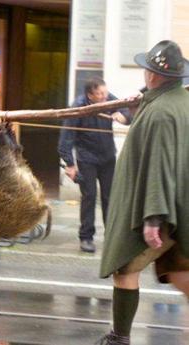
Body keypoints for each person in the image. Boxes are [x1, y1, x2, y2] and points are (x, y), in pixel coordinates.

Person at [97, 40, 189, 345]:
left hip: (161, 209)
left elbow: (160, 164)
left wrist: (152, 219)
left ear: (152, 74)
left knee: (124, 268)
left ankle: (118, 338)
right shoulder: (179, 102)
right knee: (181, 273)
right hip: (180, 206)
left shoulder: (161, 112)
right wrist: (139, 106)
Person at [58, 77, 131, 253]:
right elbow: (66, 138)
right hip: (86, 158)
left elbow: (126, 110)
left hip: (107, 156)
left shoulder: (108, 98)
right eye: (100, 94)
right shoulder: (78, 107)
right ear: (90, 95)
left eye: (105, 93)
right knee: (89, 196)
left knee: (110, 197)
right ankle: (86, 237)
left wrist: (123, 116)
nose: (105, 96)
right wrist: (69, 164)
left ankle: (112, 236)